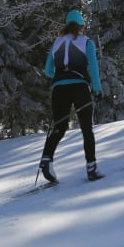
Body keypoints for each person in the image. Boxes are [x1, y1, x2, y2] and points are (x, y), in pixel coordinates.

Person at [39, 10, 103, 184]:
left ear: (66, 24)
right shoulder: (87, 42)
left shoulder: (56, 43)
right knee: (86, 129)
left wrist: (61, 75)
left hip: (59, 89)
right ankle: (91, 167)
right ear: (81, 25)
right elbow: (93, 67)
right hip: (80, 87)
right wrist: (97, 87)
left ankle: (47, 158)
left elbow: (48, 70)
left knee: (59, 127)